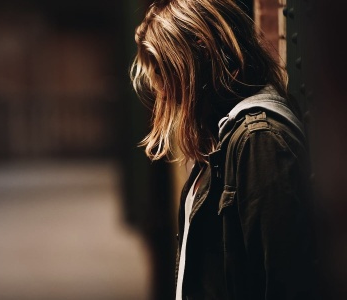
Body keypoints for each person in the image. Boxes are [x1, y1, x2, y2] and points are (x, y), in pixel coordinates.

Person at [131, 0, 318, 299]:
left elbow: (286, 283)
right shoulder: (224, 136)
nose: (163, 91)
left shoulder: (260, 140)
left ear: (200, 55)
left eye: (166, 72)